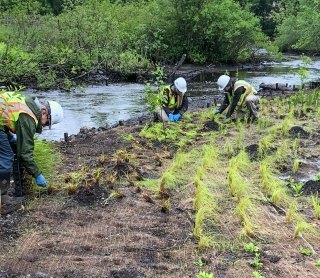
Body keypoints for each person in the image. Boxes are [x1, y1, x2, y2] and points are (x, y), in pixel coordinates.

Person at [0, 90, 63, 207]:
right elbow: (25, 153)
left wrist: (9, 137)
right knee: (6, 157)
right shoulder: (30, 116)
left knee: (12, 147)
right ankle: (3, 198)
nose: (44, 126)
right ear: (44, 112)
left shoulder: (28, 102)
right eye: (47, 122)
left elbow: (7, 115)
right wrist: (37, 174)